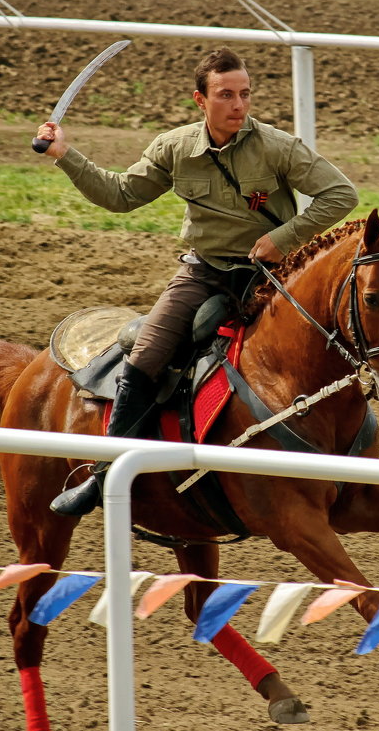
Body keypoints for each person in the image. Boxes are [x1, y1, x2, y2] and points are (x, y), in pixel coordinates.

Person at [34, 46, 359, 517]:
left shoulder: (276, 145)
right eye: (226, 95)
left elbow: (340, 194)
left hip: (272, 275)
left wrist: (282, 238)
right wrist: (66, 154)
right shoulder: (174, 148)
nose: (239, 105)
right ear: (199, 100)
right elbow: (121, 195)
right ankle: (106, 476)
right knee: (146, 356)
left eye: (245, 94)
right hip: (204, 272)